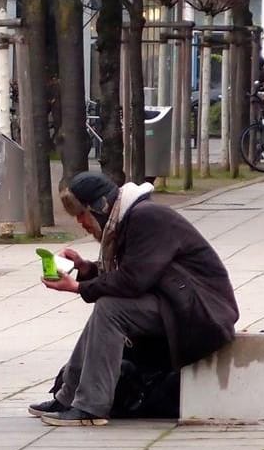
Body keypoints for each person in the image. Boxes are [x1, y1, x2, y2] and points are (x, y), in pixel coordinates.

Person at [28, 172, 241, 426]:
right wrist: (85, 269)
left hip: (200, 313)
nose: (80, 222)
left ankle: (91, 407)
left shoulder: (146, 218)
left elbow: (134, 280)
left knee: (110, 308)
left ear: (99, 207)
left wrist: (77, 287)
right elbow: (136, 272)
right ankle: (69, 397)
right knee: (107, 307)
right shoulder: (131, 219)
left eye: (81, 214)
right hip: (177, 303)